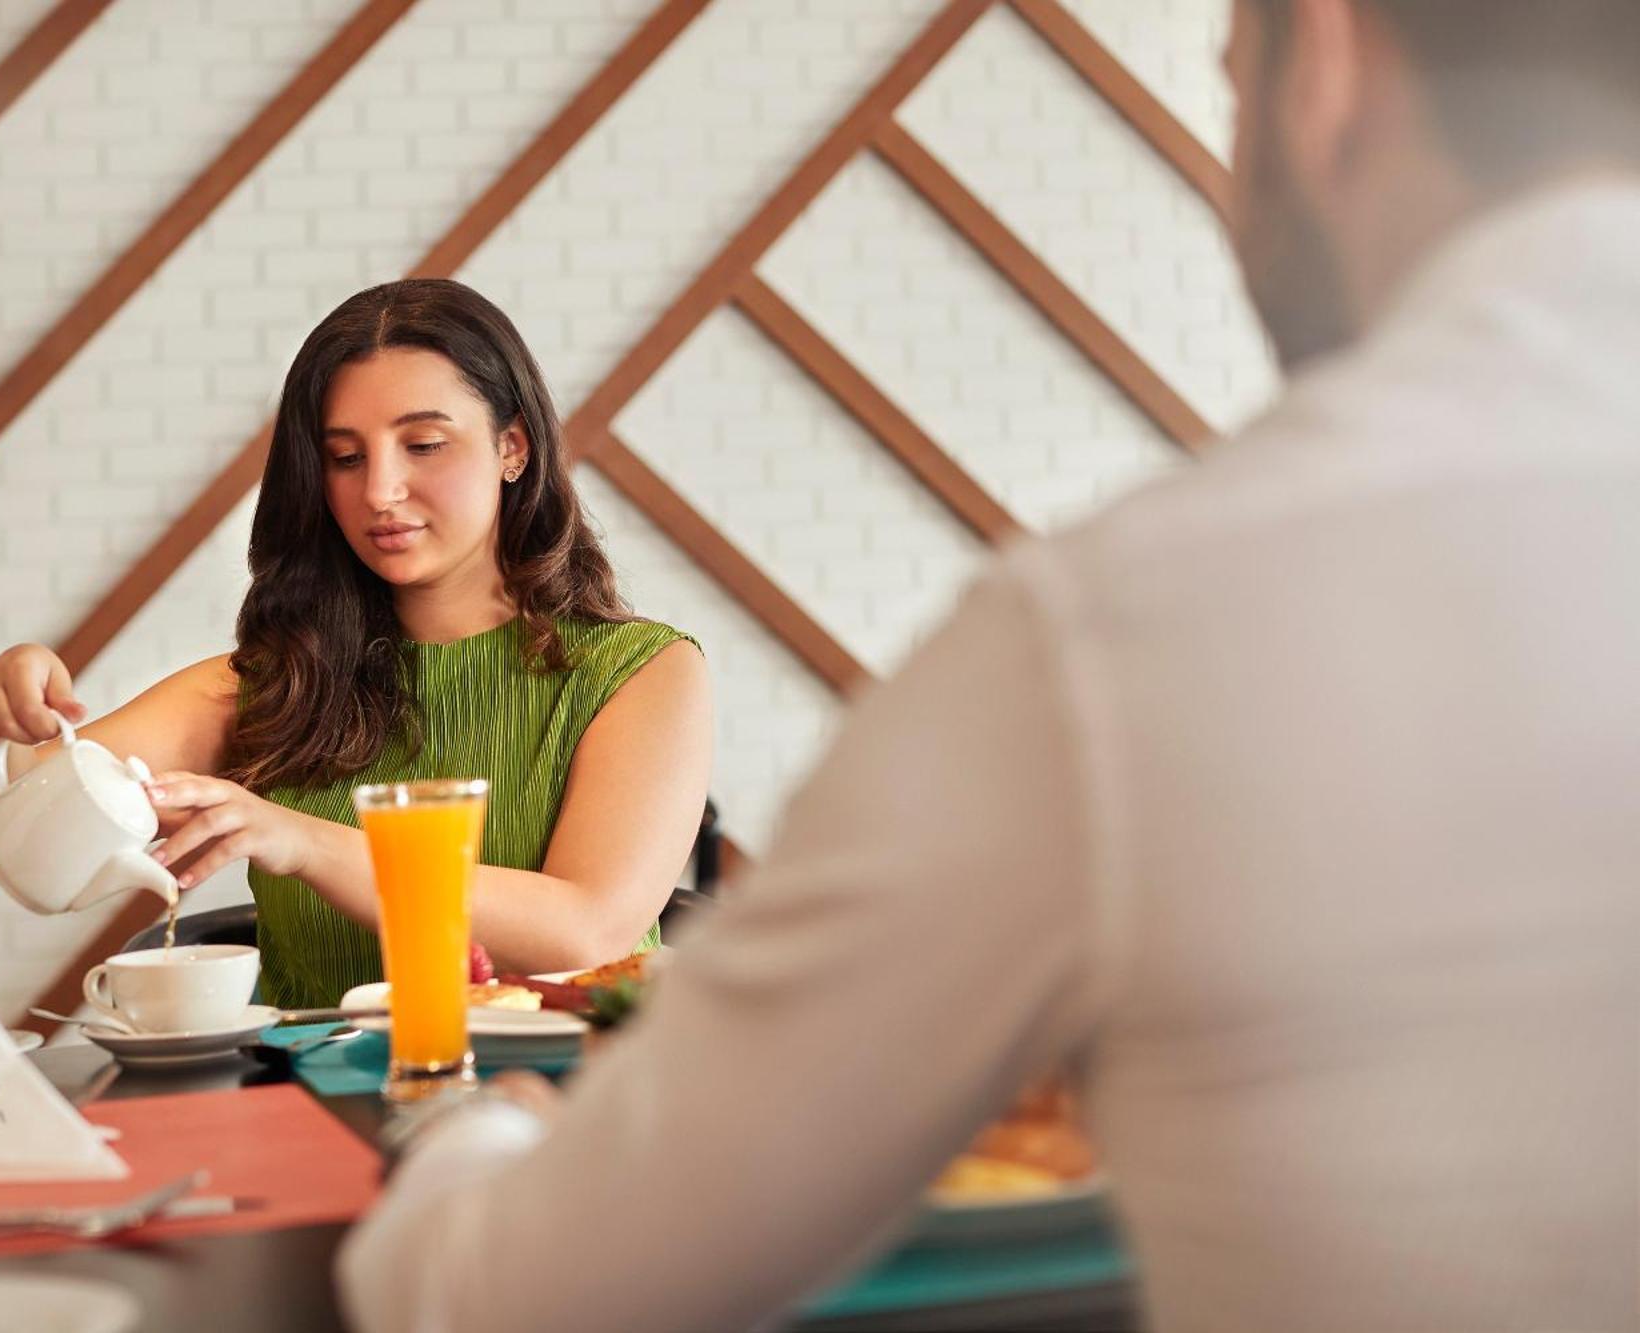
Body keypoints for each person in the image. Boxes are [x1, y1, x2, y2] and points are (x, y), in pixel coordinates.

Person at [336, 2, 1640, 1330]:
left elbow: (532, 1292)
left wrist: (462, 1140)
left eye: (1231, 84)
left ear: (1329, 62)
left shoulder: (1118, 632)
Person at [0, 279, 712, 1008]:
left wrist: (302, 840)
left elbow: (585, 929)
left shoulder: (641, 674)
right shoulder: (268, 687)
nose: (379, 490)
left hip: (564, 1117)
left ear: (513, 447)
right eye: (346, 457)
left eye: (423, 445)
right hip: (305, 1119)